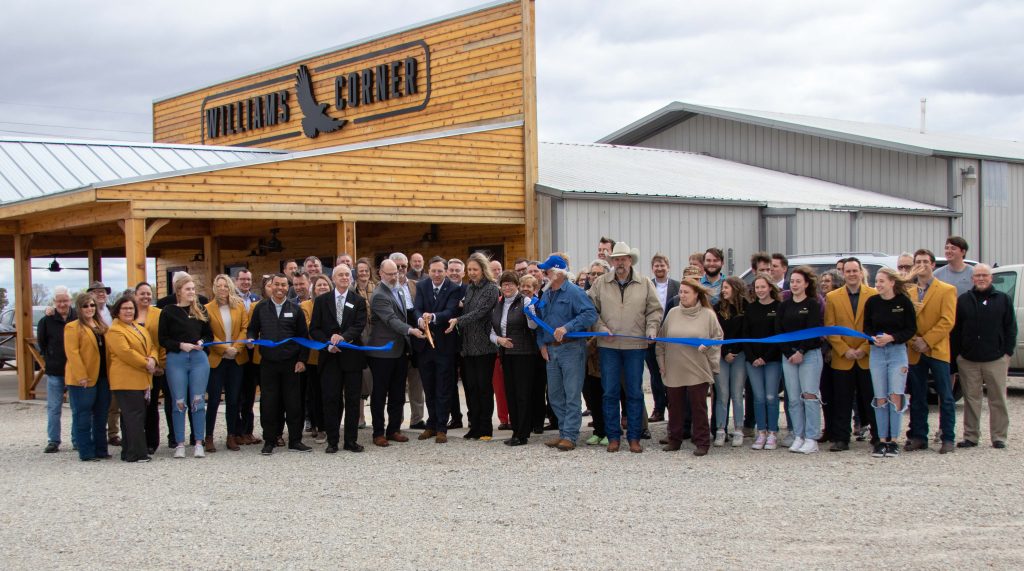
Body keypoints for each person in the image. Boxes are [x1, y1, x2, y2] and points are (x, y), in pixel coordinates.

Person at [589, 241, 662, 453]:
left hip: (636, 345)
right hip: (608, 345)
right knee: (610, 392)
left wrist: (651, 328)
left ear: (630, 260)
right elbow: (590, 309)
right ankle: (613, 437)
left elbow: (655, 310)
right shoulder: (601, 283)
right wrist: (600, 327)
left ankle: (634, 437)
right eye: (616, 259)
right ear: (611, 262)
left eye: (623, 259)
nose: (620, 263)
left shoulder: (645, 283)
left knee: (634, 392)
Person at [532, 253, 598, 451]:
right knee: (554, 394)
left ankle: (570, 435)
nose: (545, 274)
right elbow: (540, 322)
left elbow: (590, 314)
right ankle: (563, 431)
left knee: (571, 393)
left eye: (548, 271)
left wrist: (568, 327)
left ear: (560, 272)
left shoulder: (575, 292)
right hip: (551, 350)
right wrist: (542, 345)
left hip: (571, 348)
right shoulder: (547, 294)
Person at [952, 264, 1017, 449]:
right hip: (968, 359)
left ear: (991, 278)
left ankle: (999, 436)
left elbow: (1010, 328)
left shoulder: (1003, 299)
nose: (981, 278)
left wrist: (1007, 352)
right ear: (972, 279)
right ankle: (971, 436)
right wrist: (957, 355)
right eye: (977, 275)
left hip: (996, 358)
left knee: (998, 398)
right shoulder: (963, 300)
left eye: (984, 275)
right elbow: (956, 330)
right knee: (972, 399)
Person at [246, 273, 312, 455]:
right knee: (269, 403)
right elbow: (252, 328)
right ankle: (270, 440)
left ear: (287, 287)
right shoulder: (260, 308)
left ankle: (295, 440)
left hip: (291, 363)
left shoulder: (295, 309)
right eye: (277, 284)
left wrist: (302, 360)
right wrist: (251, 338)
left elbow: (303, 337)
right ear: (271, 286)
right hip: (268, 363)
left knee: (293, 403)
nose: (280, 288)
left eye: (284, 285)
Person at [657, 279, 722, 456]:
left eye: (686, 292)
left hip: (697, 368)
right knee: (675, 406)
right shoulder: (672, 313)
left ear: (696, 295)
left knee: (698, 406)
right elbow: (661, 341)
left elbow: (717, 338)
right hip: (674, 367)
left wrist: (707, 346)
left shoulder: (708, 315)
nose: (682, 295)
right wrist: (661, 363)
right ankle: (674, 439)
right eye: (681, 292)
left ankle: (702, 441)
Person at [310, 264, 368, 454]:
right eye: (340, 275)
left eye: (347, 275)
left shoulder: (358, 301)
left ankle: (351, 441)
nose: (344, 277)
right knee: (331, 399)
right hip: (329, 358)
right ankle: (332, 441)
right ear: (333, 279)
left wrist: (343, 337)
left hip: (351, 358)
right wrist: (328, 342)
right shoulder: (321, 301)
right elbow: (314, 329)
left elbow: (359, 325)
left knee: (352, 400)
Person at [905, 249, 958, 454]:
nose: (922, 264)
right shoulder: (908, 292)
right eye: (918, 261)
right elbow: (904, 322)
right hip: (914, 349)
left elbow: (947, 321)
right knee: (917, 395)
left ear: (933, 265)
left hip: (937, 349)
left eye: (926, 261)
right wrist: (914, 340)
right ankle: (919, 436)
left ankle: (948, 437)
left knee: (945, 395)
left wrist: (926, 341)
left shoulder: (946, 290)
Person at [368, 260, 426, 447]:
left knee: (398, 393)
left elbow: (406, 313)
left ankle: (393, 429)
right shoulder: (379, 295)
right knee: (379, 394)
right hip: (382, 352)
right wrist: (411, 331)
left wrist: (418, 320)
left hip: (400, 351)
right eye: (390, 273)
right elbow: (391, 320)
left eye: (397, 273)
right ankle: (378, 432)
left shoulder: (400, 290)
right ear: (381, 273)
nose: (395, 276)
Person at [824, 258, 878, 452]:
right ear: (843, 274)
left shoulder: (873, 294)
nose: (852, 274)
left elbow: (876, 326)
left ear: (861, 272)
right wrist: (844, 349)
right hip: (843, 357)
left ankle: (877, 437)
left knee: (870, 399)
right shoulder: (832, 297)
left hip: (867, 356)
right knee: (842, 400)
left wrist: (865, 347)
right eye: (848, 271)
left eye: (855, 270)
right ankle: (841, 438)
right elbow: (830, 327)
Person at [863, 267, 917, 458]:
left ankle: (893, 440)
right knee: (879, 397)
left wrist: (892, 337)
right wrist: (874, 338)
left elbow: (911, 329)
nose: (878, 284)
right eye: (876, 281)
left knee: (895, 395)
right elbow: (866, 328)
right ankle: (881, 439)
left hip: (897, 352)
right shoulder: (872, 302)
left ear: (892, 282)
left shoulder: (904, 302)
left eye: (881, 281)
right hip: (877, 353)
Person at [159, 273, 213, 459]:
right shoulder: (168, 311)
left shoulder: (201, 310)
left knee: (197, 402)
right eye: (188, 289)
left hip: (198, 360)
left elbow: (209, 335)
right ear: (179, 291)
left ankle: (199, 442)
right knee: (179, 402)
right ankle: (179, 443)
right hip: (177, 360)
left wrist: (201, 341)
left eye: (193, 289)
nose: (191, 292)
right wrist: (180, 345)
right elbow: (163, 339)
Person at [448, 253, 500, 440]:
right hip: (468, 346)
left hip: (484, 346)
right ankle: (475, 426)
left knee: (483, 387)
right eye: (469, 270)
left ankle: (486, 428)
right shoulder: (470, 288)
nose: (471, 273)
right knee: (470, 387)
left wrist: (458, 320)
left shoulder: (492, 288)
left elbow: (481, 312)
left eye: (475, 270)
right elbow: (467, 309)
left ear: (483, 269)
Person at [412, 256, 461, 443]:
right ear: (429, 271)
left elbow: (450, 312)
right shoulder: (422, 286)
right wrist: (419, 320)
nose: (437, 274)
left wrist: (432, 317)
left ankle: (442, 427)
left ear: (446, 271)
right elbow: (416, 308)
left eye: (440, 271)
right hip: (424, 346)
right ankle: (431, 425)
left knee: (443, 387)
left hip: (444, 347)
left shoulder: (454, 289)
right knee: (429, 386)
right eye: (433, 271)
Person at [777, 266, 824, 455]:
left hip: (809, 355)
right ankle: (798, 434)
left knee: (810, 396)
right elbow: (779, 331)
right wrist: (789, 353)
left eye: (799, 281)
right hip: (788, 356)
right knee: (794, 398)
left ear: (806, 284)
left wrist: (801, 351)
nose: (795, 284)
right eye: (793, 281)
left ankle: (812, 437)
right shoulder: (784, 305)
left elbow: (813, 331)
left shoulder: (812, 304)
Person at [490, 271, 541, 446]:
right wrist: (499, 340)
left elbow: (533, 325)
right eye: (504, 284)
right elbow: (491, 331)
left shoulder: (525, 301)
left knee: (522, 394)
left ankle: (523, 433)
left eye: (511, 284)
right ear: (500, 287)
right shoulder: (498, 304)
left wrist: (530, 313)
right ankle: (515, 431)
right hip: (506, 354)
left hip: (524, 354)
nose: (508, 287)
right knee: (510, 393)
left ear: (517, 285)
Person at [106, 295, 158, 463]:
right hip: (126, 380)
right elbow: (125, 353)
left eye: (131, 308)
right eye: (125, 308)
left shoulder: (138, 327)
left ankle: (129, 451)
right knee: (133, 416)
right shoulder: (115, 330)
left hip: (142, 378)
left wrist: (153, 359)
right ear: (117, 311)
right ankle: (138, 453)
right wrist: (146, 363)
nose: (128, 311)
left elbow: (152, 346)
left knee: (134, 415)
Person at [205, 274, 250, 452]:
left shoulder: (239, 307)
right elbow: (208, 334)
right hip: (217, 359)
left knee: (233, 400)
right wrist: (224, 348)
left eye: (226, 285)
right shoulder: (207, 308)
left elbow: (244, 328)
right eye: (219, 285)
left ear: (230, 287)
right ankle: (208, 436)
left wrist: (236, 347)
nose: (223, 289)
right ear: (215, 288)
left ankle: (231, 436)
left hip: (237, 359)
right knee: (214, 400)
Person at [64, 293, 111, 462]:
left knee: (101, 415)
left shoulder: (101, 325)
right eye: (85, 306)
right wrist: (81, 375)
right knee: (82, 415)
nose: (89, 308)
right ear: (79, 308)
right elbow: (73, 353)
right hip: (83, 379)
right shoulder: (72, 327)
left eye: (92, 305)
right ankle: (86, 451)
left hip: (103, 377)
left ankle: (101, 449)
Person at [744, 274, 782, 450]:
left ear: (770, 287)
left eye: (763, 286)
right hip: (752, 361)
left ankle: (773, 432)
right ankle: (761, 432)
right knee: (758, 398)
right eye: (757, 287)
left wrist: (765, 357)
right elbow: (746, 336)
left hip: (772, 359)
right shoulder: (750, 309)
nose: (760, 290)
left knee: (771, 397)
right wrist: (753, 358)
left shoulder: (778, 307)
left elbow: (779, 335)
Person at [38, 286, 76, 453]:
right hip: (55, 370)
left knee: (77, 408)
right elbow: (42, 343)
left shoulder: (77, 317)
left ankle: (77, 439)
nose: (62, 304)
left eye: (65, 300)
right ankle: (53, 440)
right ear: (54, 302)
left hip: (75, 370)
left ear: (70, 301)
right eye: (59, 301)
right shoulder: (47, 320)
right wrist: (50, 357)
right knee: (54, 408)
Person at [390, 253, 425, 431]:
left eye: (403, 266)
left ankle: (417, 419)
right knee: (397, 382)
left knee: (416, 379)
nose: (401, 270)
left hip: (415, 335)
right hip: (396, 336)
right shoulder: (386, 289)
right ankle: (397, 420)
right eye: (397, 267)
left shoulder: (417, 286)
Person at [133, 282, 168, 455]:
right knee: (137, 407)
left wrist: (160, 364)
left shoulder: (159, 314)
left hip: (156, 366)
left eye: (148, 294)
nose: (146, 297)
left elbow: (162, 339)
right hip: (134, 367)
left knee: (152, 404)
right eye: (142, 293)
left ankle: (152, 442)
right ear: (135, 295)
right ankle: (136, 440)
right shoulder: (128, 314)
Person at [713, 276, 747, 448]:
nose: (723, 290)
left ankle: (739, 429)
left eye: (726, 287)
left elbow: (746, 333)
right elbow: (716, 333)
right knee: (722, 394)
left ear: (735, 288)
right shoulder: (717, 309)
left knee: (737, 394)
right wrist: (725, 352)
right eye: (722, 288)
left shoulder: (746, 308)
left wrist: (735, 351)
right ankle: (720, 429)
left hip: (740, 355)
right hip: (721, 355)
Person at [647, 253, 679, 423]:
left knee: (671, 373)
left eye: (662, 265)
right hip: (651, 338)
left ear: (668, 267)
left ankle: (674, 408)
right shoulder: (647, 286)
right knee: (655, 374)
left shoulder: (677, 286)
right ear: (652, 268)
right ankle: (659, 409)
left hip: (671, 337)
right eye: (656, 266)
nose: (659, 269)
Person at [303, 274, 334, 442]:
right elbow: (309, 327)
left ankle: (333, 426)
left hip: (334, 355)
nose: (322, 287)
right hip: (314, 358)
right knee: (317, 394)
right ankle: (320, 427)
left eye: (325, 285)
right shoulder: (306, 306)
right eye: (319, 285)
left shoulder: (335, 303)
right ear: (313, 289)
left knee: (333, 394)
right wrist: (328, 337)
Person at [235, 269, 262, 446]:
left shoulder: (255, 300)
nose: (245, 282)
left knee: (250, 394)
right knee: (237, 395)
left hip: (253, 354)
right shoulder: (232, 300)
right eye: (242, 279)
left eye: (248, 280)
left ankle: (248, 431)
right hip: (236, 353)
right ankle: (236, 432)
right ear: (236, 281)